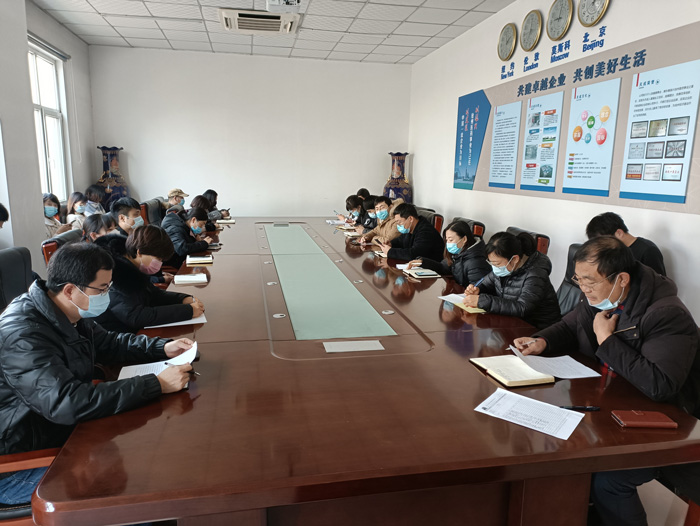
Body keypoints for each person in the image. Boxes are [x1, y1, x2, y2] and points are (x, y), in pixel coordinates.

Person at [513, 236, 700, 526]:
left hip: (661, 425)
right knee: (553, 449)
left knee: (608, 481)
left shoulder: (666, 314)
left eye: (589, 281)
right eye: (578, 279)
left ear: (621, 279)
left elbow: (659, 384)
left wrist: (606, 339)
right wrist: (542, 341)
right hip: (609, 402)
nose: (583, 288)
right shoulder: (602, 297)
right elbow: (571, 324)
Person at [0, 243, 193, 505]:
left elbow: (109, 343)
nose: (107, 295)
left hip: (59, 434)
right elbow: (65, 402)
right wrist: (155, 384)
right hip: (17, 465)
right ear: (70, 290)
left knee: (151, 454)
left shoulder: (64, 310)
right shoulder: (23, 335)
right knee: (133, 488)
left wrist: (162, 347)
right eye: (102, 289)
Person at [94, 225, 205, 333]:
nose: (160, 264)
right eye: (158, 258)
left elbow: (153, 294)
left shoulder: (133, 266)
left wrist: (183, 299)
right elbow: (136, 316)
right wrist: (188, 311)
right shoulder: (113, 274)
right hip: (120, 335)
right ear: (139, 252)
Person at [463, 231, 561, 329]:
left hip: (538, 329)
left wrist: (484, 301)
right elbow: (485, 283)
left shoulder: (535, 274)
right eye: (491, 263)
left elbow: (523, 307)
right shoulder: (505, 267)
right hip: (512, 322)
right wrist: (477, 289)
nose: (494, 267)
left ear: (514, 259)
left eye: (497, 264)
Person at [407, 220, 490, 286]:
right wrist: (423, 262)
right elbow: (443, 267)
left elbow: (478, 289)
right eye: (447, 240)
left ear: (464, 239)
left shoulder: (476, 261)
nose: (448, 244)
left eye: (451, 240)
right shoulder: (459, 252)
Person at [586, 211, 666, 276]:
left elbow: (658, 284)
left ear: (619, 233)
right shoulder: (613, 250)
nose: (602, 247)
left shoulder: (648, 250)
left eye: (603, 242)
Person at [377, 203, 444, 262]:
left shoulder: (426, 231)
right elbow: (400, 240)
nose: (398, 225)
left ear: (410, 219)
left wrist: (390, 252)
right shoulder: (410, 228)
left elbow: (414, 254)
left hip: (429, 269)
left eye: (399, 222)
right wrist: (391, 244)